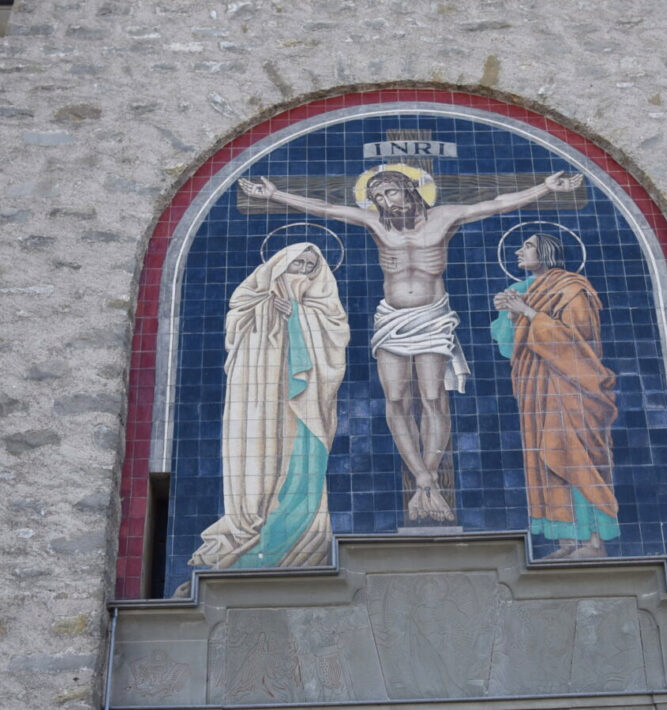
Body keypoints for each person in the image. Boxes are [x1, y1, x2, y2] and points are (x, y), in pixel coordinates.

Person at [239, 167, 582, 522]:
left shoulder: (444, 217)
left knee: (434, 397)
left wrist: (543, 188)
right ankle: (423, 478)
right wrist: (276, 196)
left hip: (432, 317)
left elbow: (496, 204)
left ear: (408, 188)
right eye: (379, 198)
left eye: (391, 193)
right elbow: (327, 209)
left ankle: (429, 472)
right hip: (392, 319)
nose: (386, 202)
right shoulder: (375, 223)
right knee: (396, 399)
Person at [190, 243, 349, 570]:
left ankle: (297, 535)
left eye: (310, 267)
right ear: (278, 266)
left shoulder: (321, 308)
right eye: (297, 264)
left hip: (305, 404)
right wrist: (268, 313)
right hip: (260, 402)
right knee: (260, 460)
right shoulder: (251, 298)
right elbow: (236, 336)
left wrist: (297, 316)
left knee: (300, 465)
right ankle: (251, 525)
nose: (303, 272)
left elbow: (334, 338)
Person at [493, 233, 619, 559]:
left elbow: (578, 343)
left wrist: (529, 313)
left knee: (573, 458)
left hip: (573, 389)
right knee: (544, 462)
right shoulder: (528, 290)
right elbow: (509, 347)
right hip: (537, 389)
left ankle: (593, 542)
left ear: (547, 252)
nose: (520, 251)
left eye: (528, 246)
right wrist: (511, 315)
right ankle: (566, 542)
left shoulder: (573, 289)